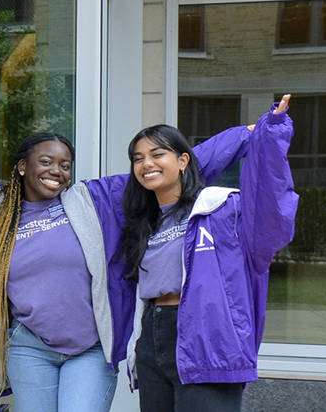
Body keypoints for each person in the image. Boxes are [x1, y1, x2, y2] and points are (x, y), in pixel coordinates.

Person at [115, 98, 295, 412]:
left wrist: (268, 134)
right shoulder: (143, 221)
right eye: (138, 158)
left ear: (184, 160)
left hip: (208, 337)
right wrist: (242, 134)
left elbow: (270, 209)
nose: (147, 164)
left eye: (158, 154)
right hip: (153, 338)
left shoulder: (221, 209)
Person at [0, 134, 117, 411]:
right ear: (23, 166)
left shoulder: (86, 206)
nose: (56, 171)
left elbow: (157, 172)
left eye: (65, 165)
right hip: (29, 348)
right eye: (47, 162)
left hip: (90, 348)